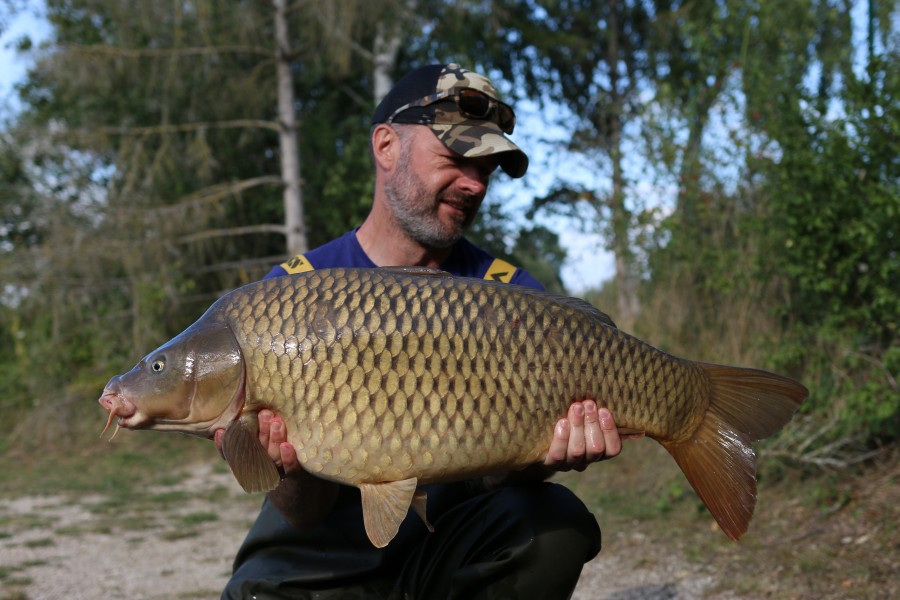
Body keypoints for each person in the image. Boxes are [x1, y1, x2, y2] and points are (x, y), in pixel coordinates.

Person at [214, 63, 622, 600]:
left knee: (554, 523)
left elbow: (498, 484)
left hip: (451, 546)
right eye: (456, 158)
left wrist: (538, 459)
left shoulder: (514, 298)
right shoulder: (289, 295)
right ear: (386, 146)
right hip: (326, 556)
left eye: (488, 168)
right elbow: (301, 514)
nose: (474, 183)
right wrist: (283, 467)